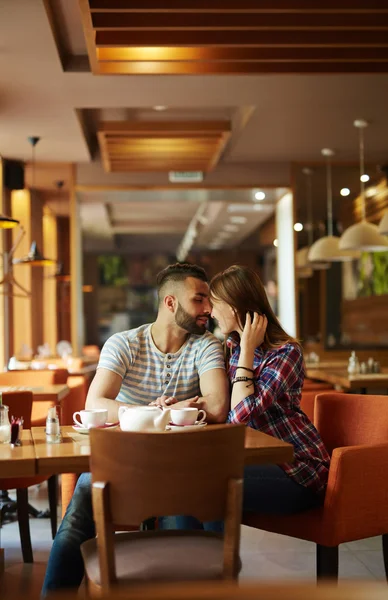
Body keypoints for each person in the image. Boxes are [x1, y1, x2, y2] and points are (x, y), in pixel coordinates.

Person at [42, 263, 229, 595]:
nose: (208, 309)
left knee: (179, 545)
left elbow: (216, 407)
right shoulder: (125, 343)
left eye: (208, 301)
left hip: (182, 470)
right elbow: (94, 402)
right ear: (170, 303)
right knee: (74, 524)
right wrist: (150, 411)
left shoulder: (207, 346)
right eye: (199, 300)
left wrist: (162, 410)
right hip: (118, 465)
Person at [168, 264, 330, 531]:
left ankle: (217, 568)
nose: (209, 309)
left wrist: (246, 350)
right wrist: (189, 403)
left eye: (214, 301)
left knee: (206, 481)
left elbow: (240, 417)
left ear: (234, 306)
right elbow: (227, 404)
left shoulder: (286, 353)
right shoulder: (232, 346)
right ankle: (194, 565)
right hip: (254, 461)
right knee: (189, 479)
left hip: (299, 471)